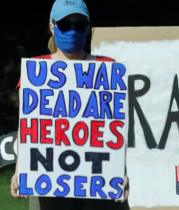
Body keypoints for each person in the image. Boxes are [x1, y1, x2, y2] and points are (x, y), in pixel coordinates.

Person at [10, 0, 130, 210]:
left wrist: (121, 170)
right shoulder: (36, 71)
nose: (73, 31)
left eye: (80, 25)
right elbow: (28, 128)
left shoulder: (107, 67)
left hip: (99, 184)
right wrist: (20, 169)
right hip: (49, 181)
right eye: (66, 25)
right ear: (51, 26)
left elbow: (115, 128)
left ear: (88, 28)